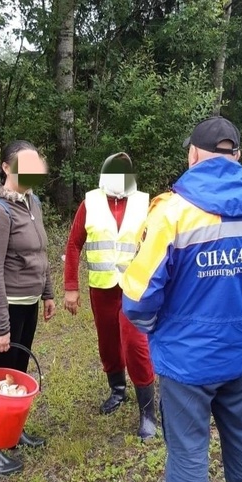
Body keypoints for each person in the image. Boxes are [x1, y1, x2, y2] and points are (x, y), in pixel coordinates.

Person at [121, 117, 242, 482]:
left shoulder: (171, 213)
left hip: (186, 360)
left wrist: (161, 329)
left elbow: (138, 299)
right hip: (240, 350)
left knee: (187, 448)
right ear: (236, 155)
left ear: (193, 154)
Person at [0, 140, 55, 475]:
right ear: (7, 167)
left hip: (27, 304)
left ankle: (11, 431)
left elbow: (40, 254)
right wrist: (0, 326)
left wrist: (47, 293)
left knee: (17, 371)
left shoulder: (32, 202)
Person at [63, 152, 157, 441]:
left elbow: (157, 244)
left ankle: (148, 411)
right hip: (101, 288)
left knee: (136, 344)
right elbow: (74, 244)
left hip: (134, 289)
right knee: (109, 343)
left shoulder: (145, 203)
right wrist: (70, 286)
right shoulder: (89, 203)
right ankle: (117, 390)